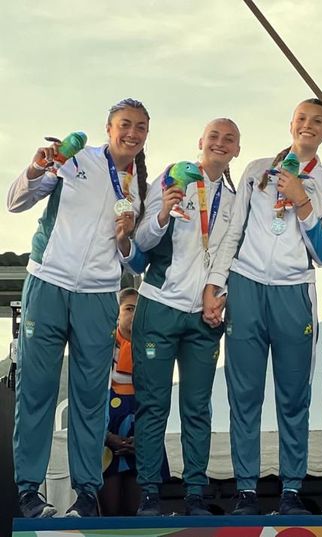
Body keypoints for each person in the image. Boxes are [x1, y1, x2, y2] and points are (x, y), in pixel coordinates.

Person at [7, 98, 148, 518]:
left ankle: (87, 494)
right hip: (49, 282)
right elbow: (16, 201)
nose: (133, 133)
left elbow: (133, 259)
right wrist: (36, 168)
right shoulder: (75, 159)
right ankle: (30, 493)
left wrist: (126, 238)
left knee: (90, 398)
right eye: (125, 124)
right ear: (108, 128)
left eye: (141, 127)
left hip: (99, 294)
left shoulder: (140, 186)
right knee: (37, 390)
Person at [203, 98, 322, 515]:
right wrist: (215, 284)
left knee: (292, 397)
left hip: (293, 292)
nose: (308, 126)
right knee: (243, 394)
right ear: (291, 124)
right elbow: (232, 231)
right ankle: (246, 491)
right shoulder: (257, 171)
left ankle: (290, 492)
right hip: (246, 287)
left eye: (318, 121)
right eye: (302, 118)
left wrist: (302, 201)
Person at [132, 118, 240, 516]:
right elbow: (142, 241)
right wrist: (163, 213)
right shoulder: (172, 178)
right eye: (214, 136)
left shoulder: (232, 200)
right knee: (153, 403)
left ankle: (195, 490)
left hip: (203, 316)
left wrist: (218, 293)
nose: (220, 143)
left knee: (197, 405)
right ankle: (149, 493)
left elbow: (226, 253)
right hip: (159, 304)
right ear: (200, 141)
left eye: (229, 139)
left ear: (236, 151)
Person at [99, 288, 143, 516]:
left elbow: (160, 403)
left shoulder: (152, 351)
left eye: (140, 309)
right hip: (107, 443)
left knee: (139, 521)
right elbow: (89, 401)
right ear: (117, 313)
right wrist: (107, 437)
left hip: (141, 442)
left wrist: (144, 437)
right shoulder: (101, 349)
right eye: (129, 308)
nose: (134, 315)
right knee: (110, 519)